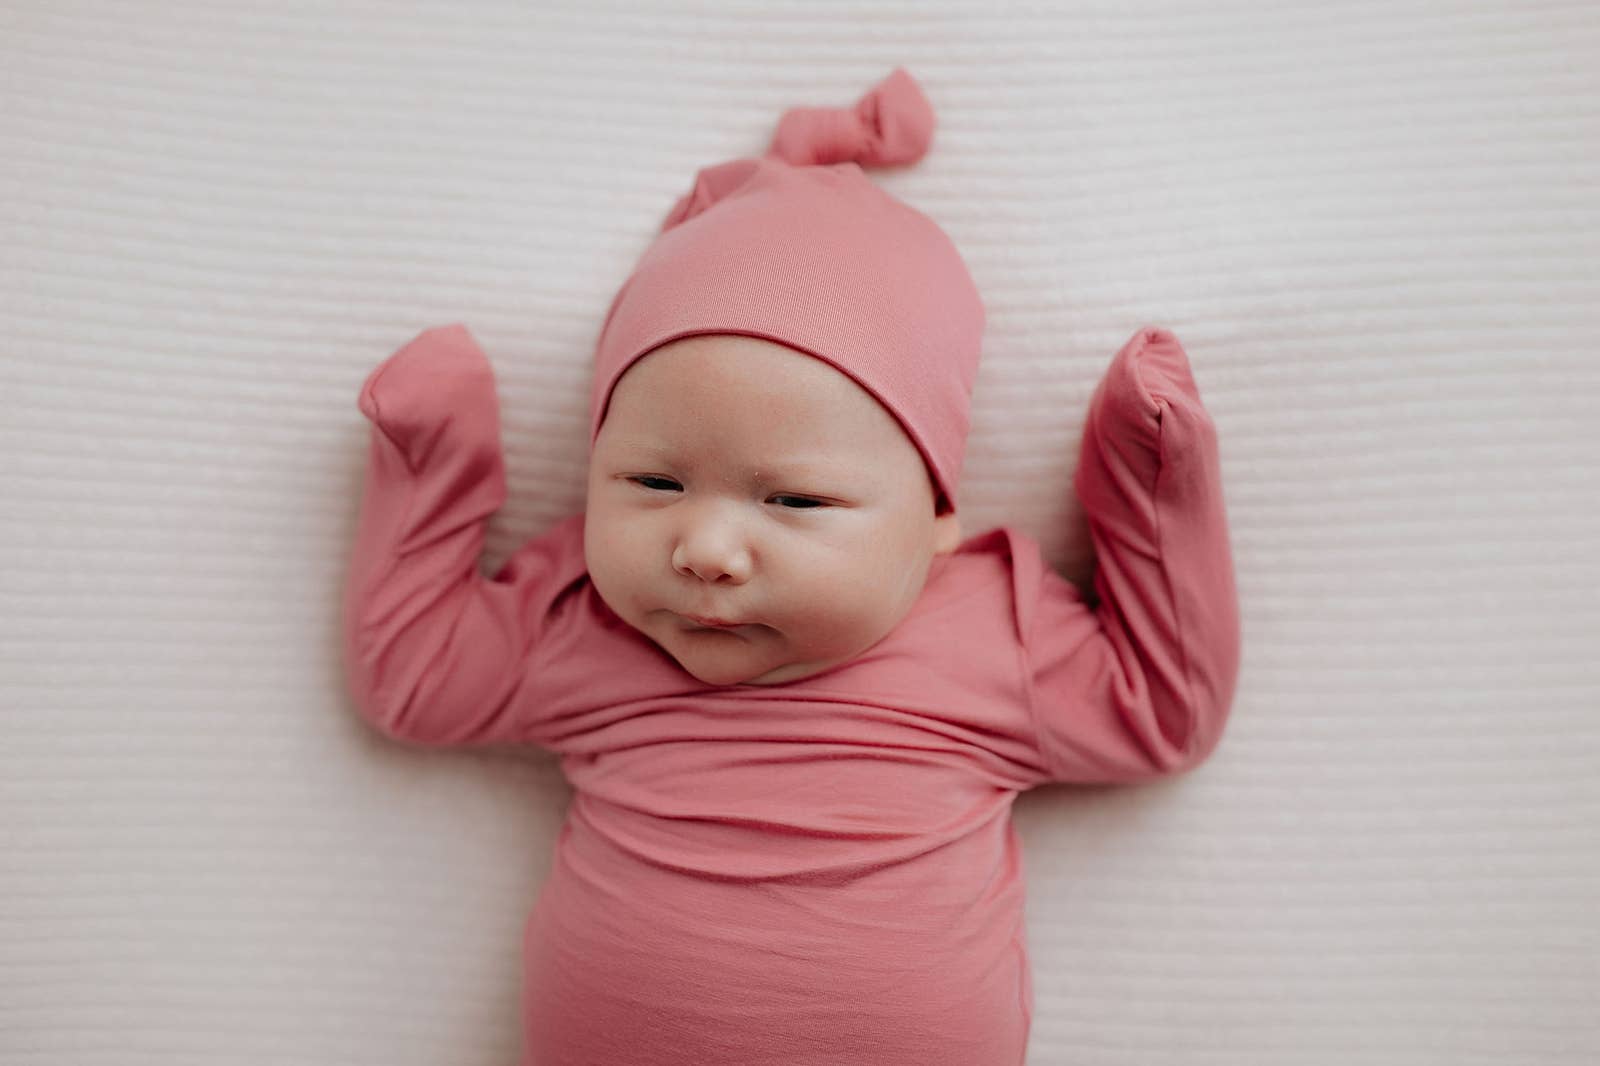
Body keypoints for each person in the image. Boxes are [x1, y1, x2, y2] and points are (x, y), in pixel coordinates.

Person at [342, 67, 1240, 1066]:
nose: (706, 551)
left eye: (796, 501)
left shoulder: (991, 634)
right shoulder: (581, 619)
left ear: (937, 516)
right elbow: (413, 678)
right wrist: (432, 462)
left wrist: (1153, 480)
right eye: (651, 483)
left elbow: (1165, 711)